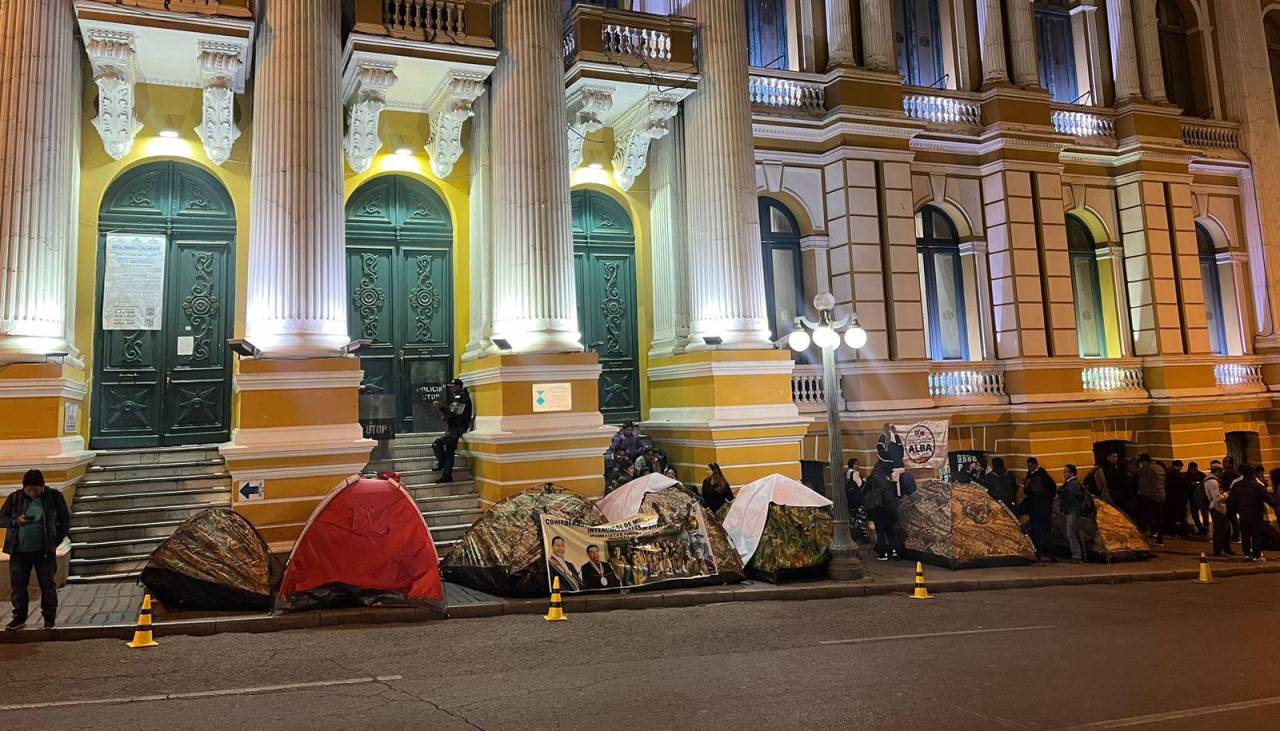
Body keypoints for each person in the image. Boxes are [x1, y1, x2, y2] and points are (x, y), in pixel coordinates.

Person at [2, 469, 70, 631]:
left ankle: (49, 618)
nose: (32, 493)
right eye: (29, 489)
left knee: (47, 585)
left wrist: (55, 540)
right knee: (18, 586)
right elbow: (1, 518)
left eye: (36, 489)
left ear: (43, 486)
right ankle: (18, 617)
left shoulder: (54, 497)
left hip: (44, 551)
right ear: (23, 487)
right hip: (19, 551)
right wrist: (16, 520)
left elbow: (64, 520)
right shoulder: (15, 498)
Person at [1228, 465, 1277, 562]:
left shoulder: (1237, 486)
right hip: (1256, 514)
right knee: (1256, 535)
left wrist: (1233, 512)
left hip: (1243, 514)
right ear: (1252, 473)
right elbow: (1269, 500)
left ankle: (1247, 554)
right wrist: (1276, 506)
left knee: (1245, 535)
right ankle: (1256, 555)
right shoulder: (1257, 486)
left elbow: (1232, 502)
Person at [432, 379, 472, 484]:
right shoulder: (457, 397)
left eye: (453, 386)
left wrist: (442, 409)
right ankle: (447, 475)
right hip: (453, 428)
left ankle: (441, 464)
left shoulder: (463, 398)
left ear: (459, 386)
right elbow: (451, 413)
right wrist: (445, 412)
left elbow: (455, 415)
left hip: (458, 429)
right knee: (449, 451)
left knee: (437, 443)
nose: (451, 388)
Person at [1019, 457, 1058, 562]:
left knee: (1044, 531)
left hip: (1042, 508)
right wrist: (1026, 485)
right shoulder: (1031, 475)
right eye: (1028, 466)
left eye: (1030, 466)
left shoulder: (1042, 475)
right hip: (1035, 507)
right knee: (1036, 531)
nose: (1029, 468)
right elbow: (1028, 491)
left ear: (1035, 465)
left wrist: (1029, 485)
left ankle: (1049, 554)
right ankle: (1039, 554)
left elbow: (1046, 489)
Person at [864, 461, 901, 560]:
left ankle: (883, 553)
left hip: (878, 509)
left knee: (880, 531)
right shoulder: (889, 478)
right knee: (890, 531)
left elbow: (864, 490)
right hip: (890, 509)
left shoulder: (872, 479)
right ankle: (894, 552)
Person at [1203, 461, 1233, 557]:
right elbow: (1217, 498)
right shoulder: (1212, 482)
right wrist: (1227, 494)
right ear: (1217, 471)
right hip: (1217, 508)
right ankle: (1218, 550)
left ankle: (1224, 549)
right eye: (1221, 471)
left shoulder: (1212, 480)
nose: (1222, 473)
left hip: (1218, 507)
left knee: (1224, 529)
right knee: (1219, 530)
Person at [1134, 454, 1165, 546]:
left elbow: (1132, 470)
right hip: (1160, 495)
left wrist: (1135, 462)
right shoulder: (1159, 467)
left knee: (1145, 516)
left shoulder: (1148, 468)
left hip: (1149, 495)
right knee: (1158, 517)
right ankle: (1159, 538)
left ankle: (1144, 536)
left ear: (1144, 462)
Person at [1059, 464, 1087, 563]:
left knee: (1071, 533)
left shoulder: (1073, 484)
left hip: (1073, 510)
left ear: (1072, 473)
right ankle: (1080, 555)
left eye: (1066, 471)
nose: (1064, 473)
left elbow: (1067, 495)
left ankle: (1077, 556)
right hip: (1071, 510)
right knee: (1074, 533)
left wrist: (1061, 491)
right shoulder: (1069, 483)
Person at [1164, 460, 1192, 539]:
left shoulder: (1167, 473)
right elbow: (1185, 486)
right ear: (1180, 466)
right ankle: (1182, 532)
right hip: (1179, 498)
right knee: (1180, 516)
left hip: (1169, 498)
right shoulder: (1178, 475)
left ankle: (1171, 531)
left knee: (1171, 516)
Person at [1186, 461, 1209, 536]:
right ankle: (1200, 528)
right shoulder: (1186, 475)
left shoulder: (1201, 474)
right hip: (1193, 498)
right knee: (1195, 515)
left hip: (1201, 498)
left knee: (1204, 514)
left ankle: (1205, 528)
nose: (1194, 470)